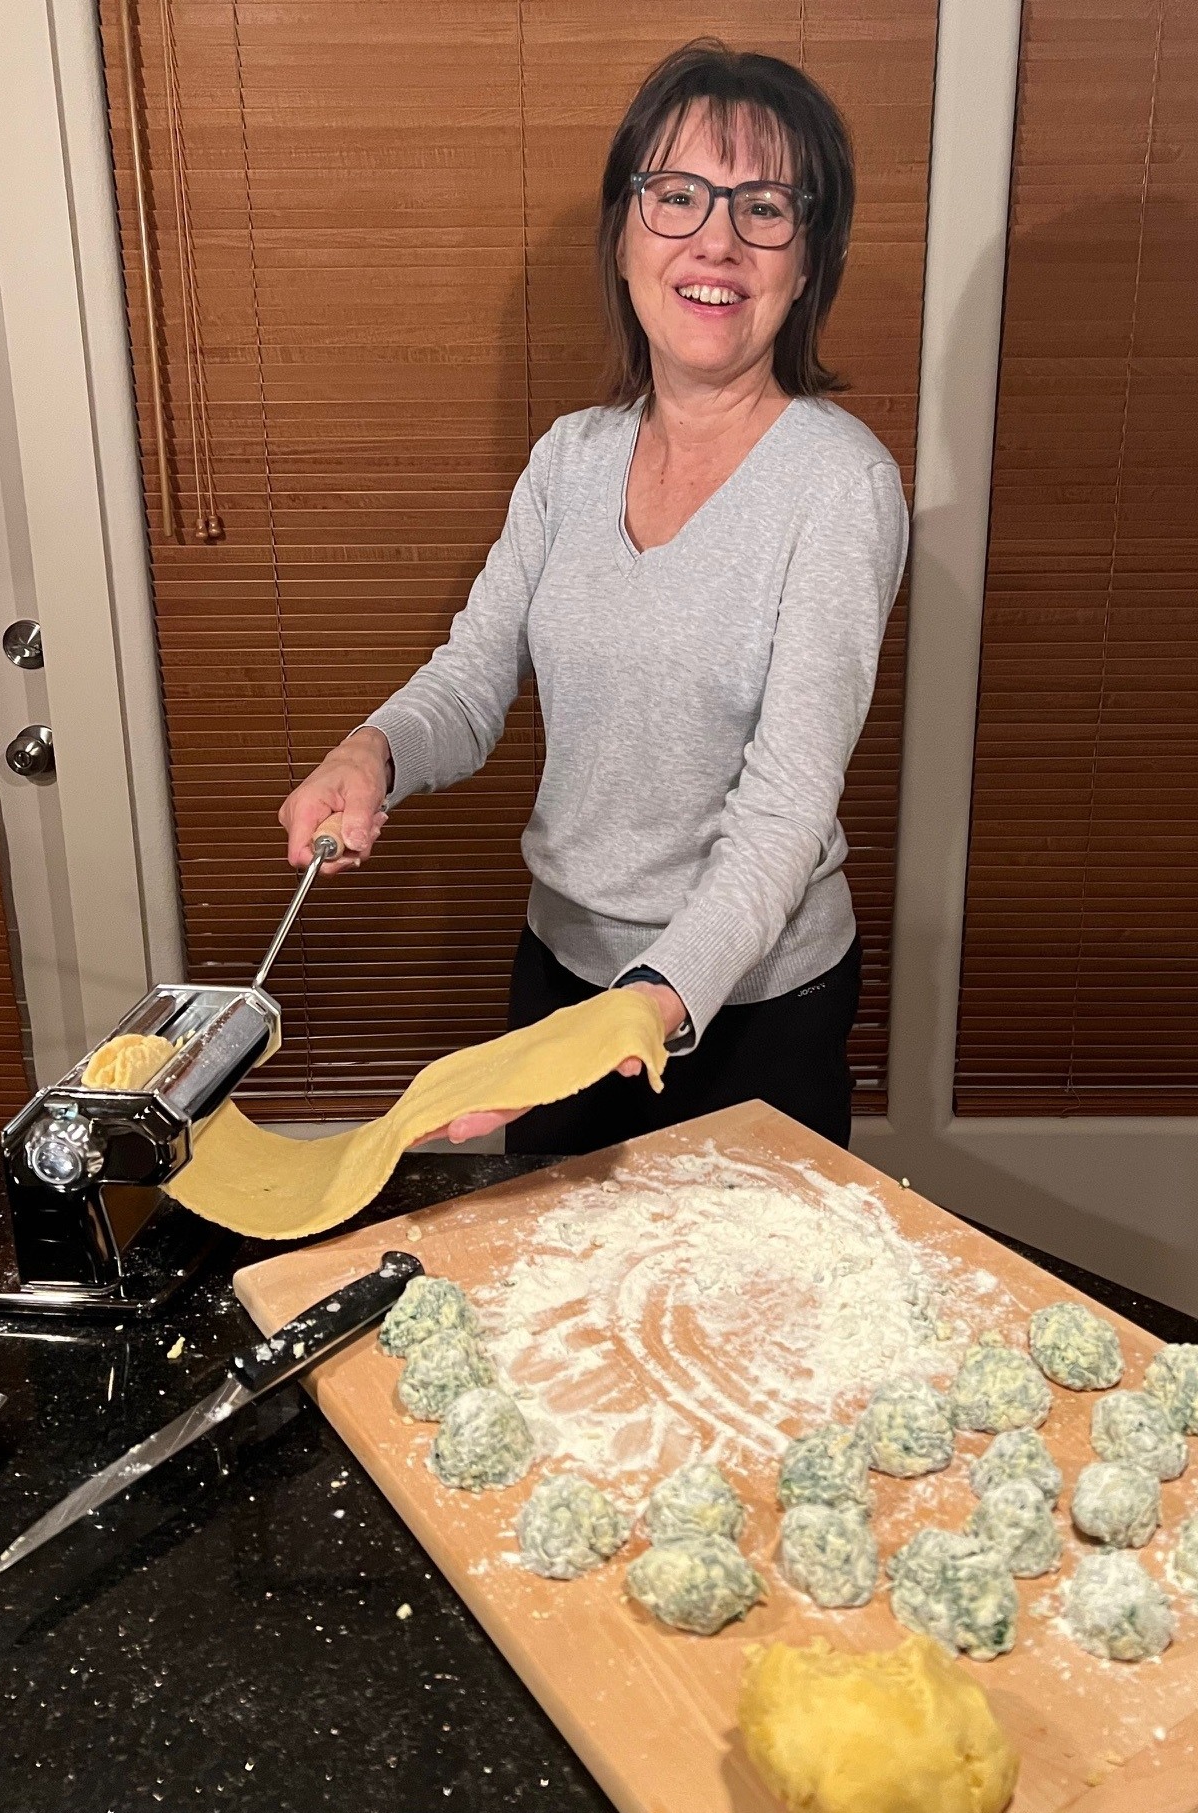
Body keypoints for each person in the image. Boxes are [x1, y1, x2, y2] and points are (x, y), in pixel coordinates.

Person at [279, 40, 909, 1155]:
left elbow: (783, 814)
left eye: (763, 206)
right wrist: (371, 752)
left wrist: (645, 1007)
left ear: (807, 263)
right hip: (563, 974)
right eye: (678, 196)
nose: (715, 239)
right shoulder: (571, 458)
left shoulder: (839, 483)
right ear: (625, 233)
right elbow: (474, 679)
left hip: (750, 1010)